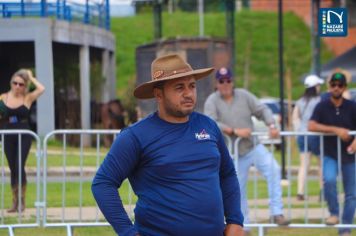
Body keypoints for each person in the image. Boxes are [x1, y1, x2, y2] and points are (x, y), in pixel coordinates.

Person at [92, 54, 244, 236]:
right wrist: (127, 232)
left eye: (192, 86)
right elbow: (103, 183)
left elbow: (227, 174)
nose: (188, 93)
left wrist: (235, 221)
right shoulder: (136, 136)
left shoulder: (208, 126)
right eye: (179, 87)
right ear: (158, 94)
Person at [204, 67, 290, 232]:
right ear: (217, 83)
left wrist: (271, 124)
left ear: (232, 81)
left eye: (228, 80)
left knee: (274, 169)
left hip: (252, 146)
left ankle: (276, 212)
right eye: (221, 81)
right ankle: (244, 226)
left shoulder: (244, 95)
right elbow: (210, 121)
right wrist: (234, 130)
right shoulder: (212, 100)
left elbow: (262, 109)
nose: (225, 84)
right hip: (231, 152)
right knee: (237, 189)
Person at [309, 71, 356, 236]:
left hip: (350, 155)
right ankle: (334, 213)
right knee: (328, 180)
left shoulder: (352, 106)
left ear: (344, 87)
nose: (336, 88)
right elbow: (311, 125)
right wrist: (336, 130)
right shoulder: (322, 105)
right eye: (333, 85)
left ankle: (345, 227)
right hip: (330, 153)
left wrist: (355, 142)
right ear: (329, 87)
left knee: (351, 194)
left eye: (340, 85)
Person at [0, 69, 45, 213]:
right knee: (12, 167)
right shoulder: (3, 98)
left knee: (20, 165)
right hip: (8, 134)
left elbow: (41, 89)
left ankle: (22, 201)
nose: (18, 87)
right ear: (11, 83)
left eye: (21, 84)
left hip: (24, 134)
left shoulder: (27, 98)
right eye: (15, 83)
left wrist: (31, 77)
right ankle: (15, 201)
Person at [292, 75, 324, 201]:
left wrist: (298, 132)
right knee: (320, 164)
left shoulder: (300, 101)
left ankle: (300, 192)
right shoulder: (319, 101)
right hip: (315, 134)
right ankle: (322, 191)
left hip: (302, 135)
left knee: (304, 164)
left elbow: (295, 118)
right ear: (315, 86)